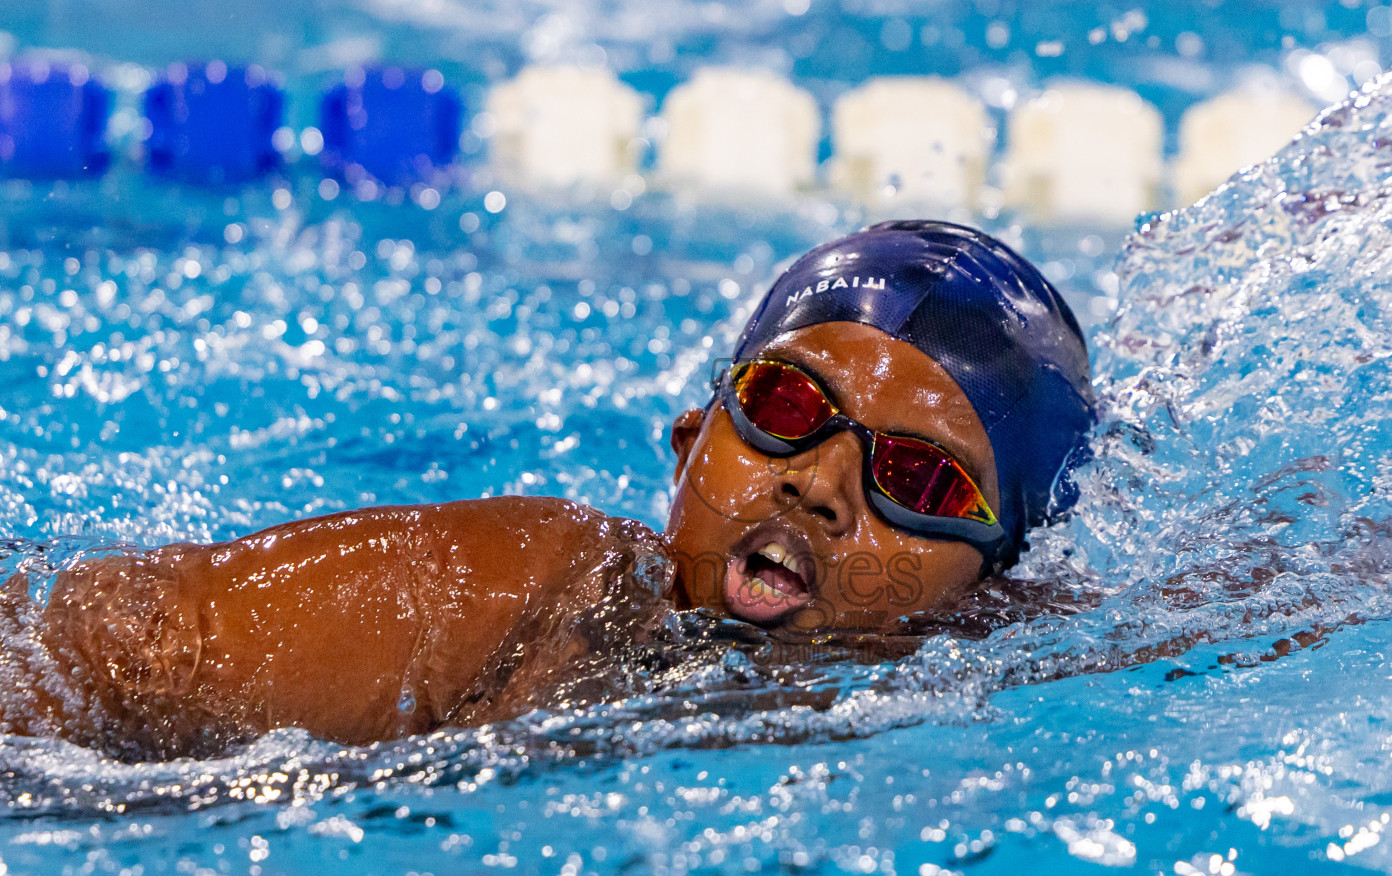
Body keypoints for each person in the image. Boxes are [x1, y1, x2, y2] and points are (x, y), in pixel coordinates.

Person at [0, 220, 1095, 760]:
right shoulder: (533, 586)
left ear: (988, 589)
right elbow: (107, 646)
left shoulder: (1011, 674)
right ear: (688, 442)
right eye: (787, 409)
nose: (818, 483)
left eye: (917, 476)